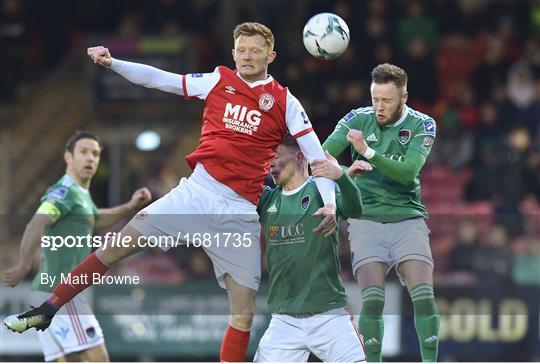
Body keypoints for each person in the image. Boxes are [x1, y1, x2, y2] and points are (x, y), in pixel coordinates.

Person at [4, 22, 337, 362]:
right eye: (241, 50)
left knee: (243, 314)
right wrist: (114, 63)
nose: (247, 57)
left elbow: (317, 158)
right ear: (233, 53)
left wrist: (329, 204)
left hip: (237, 213)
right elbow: (161, 78)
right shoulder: (218, 80)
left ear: (271, 55)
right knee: (114, 247)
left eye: (255, 50)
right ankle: (47, 308)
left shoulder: (285, 102)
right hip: (195, 194)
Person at [322, 63, 440, 362]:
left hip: (407, 217)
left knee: (424, 297)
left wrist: (367, 151)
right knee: (373, 301)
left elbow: (408, 172)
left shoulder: (423, 124)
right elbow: (321, 159)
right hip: (366, 218)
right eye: (375, 98)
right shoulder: (355, 120)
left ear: (404, 97)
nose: (379, 106)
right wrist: (347, 172)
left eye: (386, 100)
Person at [2, 130, 152, 362]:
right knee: (98, 357)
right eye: (83, 152)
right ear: (68, 157)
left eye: (95, 154)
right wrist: (23, 265)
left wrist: (129, 206)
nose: (90, 158)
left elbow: (95, 218)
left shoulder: (81, 195)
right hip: (61, 292)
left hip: (46, 292)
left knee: (64, 360)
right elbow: (37, 222)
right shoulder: (64, 193)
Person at [254, 135, 371, 362]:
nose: (271, 163)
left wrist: (342, 177)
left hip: (328, 314)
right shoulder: (267, 200)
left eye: (276, 156)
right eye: (269, 158)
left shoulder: (323, 191)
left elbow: (355, 209)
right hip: (284, 319)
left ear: (299, 156)